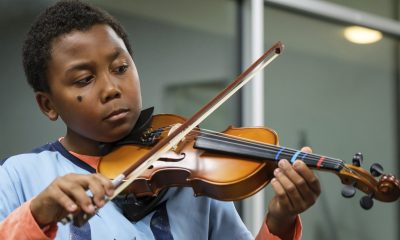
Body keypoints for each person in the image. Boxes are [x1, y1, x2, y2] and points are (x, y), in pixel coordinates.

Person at [0, 1, 321, 239]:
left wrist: (280, 219)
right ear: (47, 104)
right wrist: (37, 216)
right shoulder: (20, 176)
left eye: (121, 68)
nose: (111, 88)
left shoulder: (190, 178)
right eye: (84, 79)